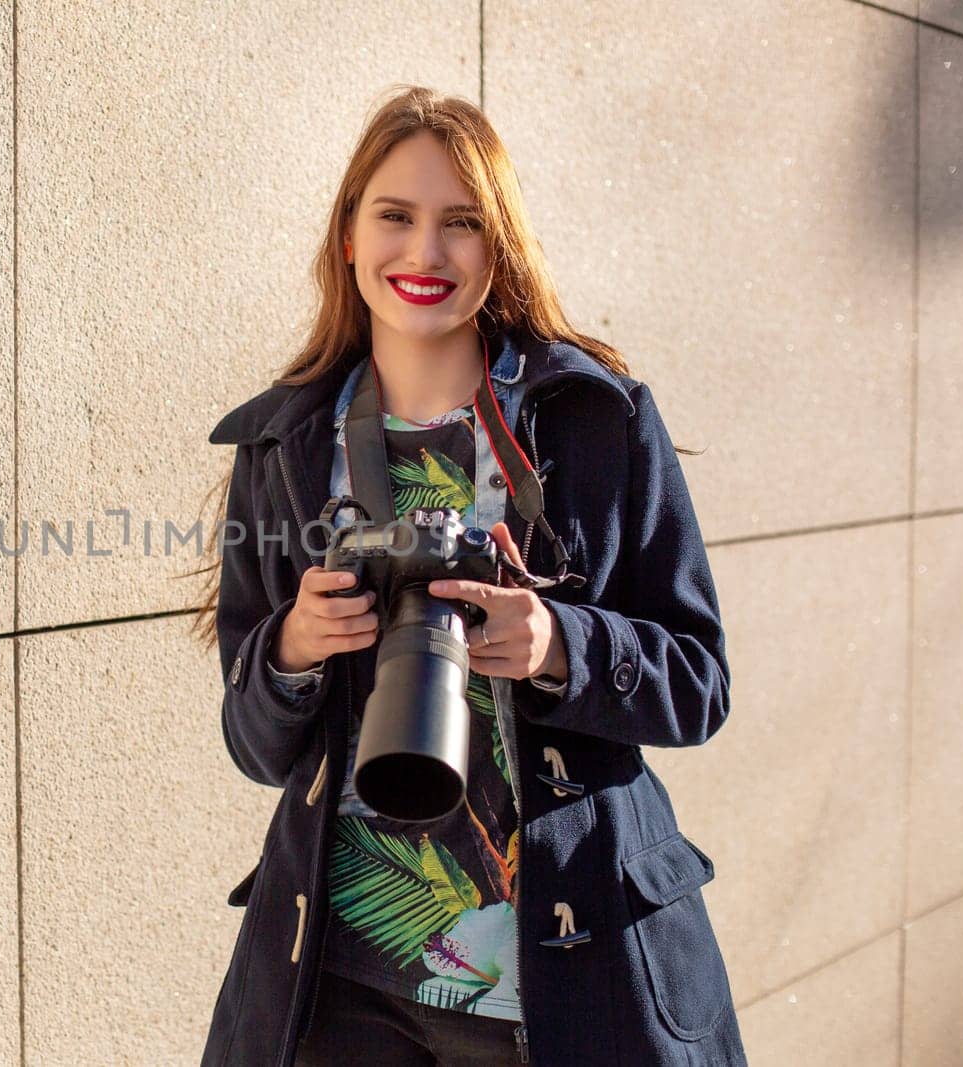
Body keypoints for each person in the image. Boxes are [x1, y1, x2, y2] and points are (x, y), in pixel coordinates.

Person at [189, 86, 747, 1066]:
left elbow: (697, 682)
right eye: (394, 216)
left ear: (497, 247)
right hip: (344, 977)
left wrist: (559, 643)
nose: (425, 252)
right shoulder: (284, 445)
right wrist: (290, 647)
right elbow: (254, 743)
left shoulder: (594, 418)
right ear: (348, 240)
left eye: (460, 223)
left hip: (564, 973)